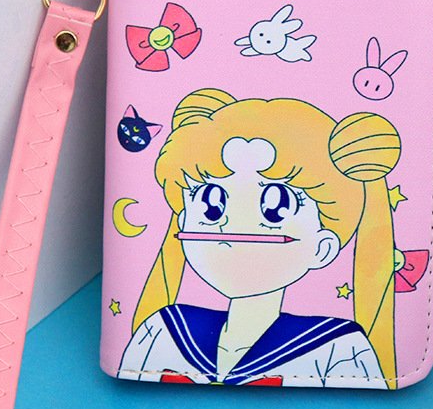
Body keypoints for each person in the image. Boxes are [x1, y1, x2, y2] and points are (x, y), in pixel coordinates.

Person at [117, 88, 402, 389]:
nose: (232, 229)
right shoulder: (162, 330)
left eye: (275, 208)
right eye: (211, 203)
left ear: (323, 248)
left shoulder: (338, 349)